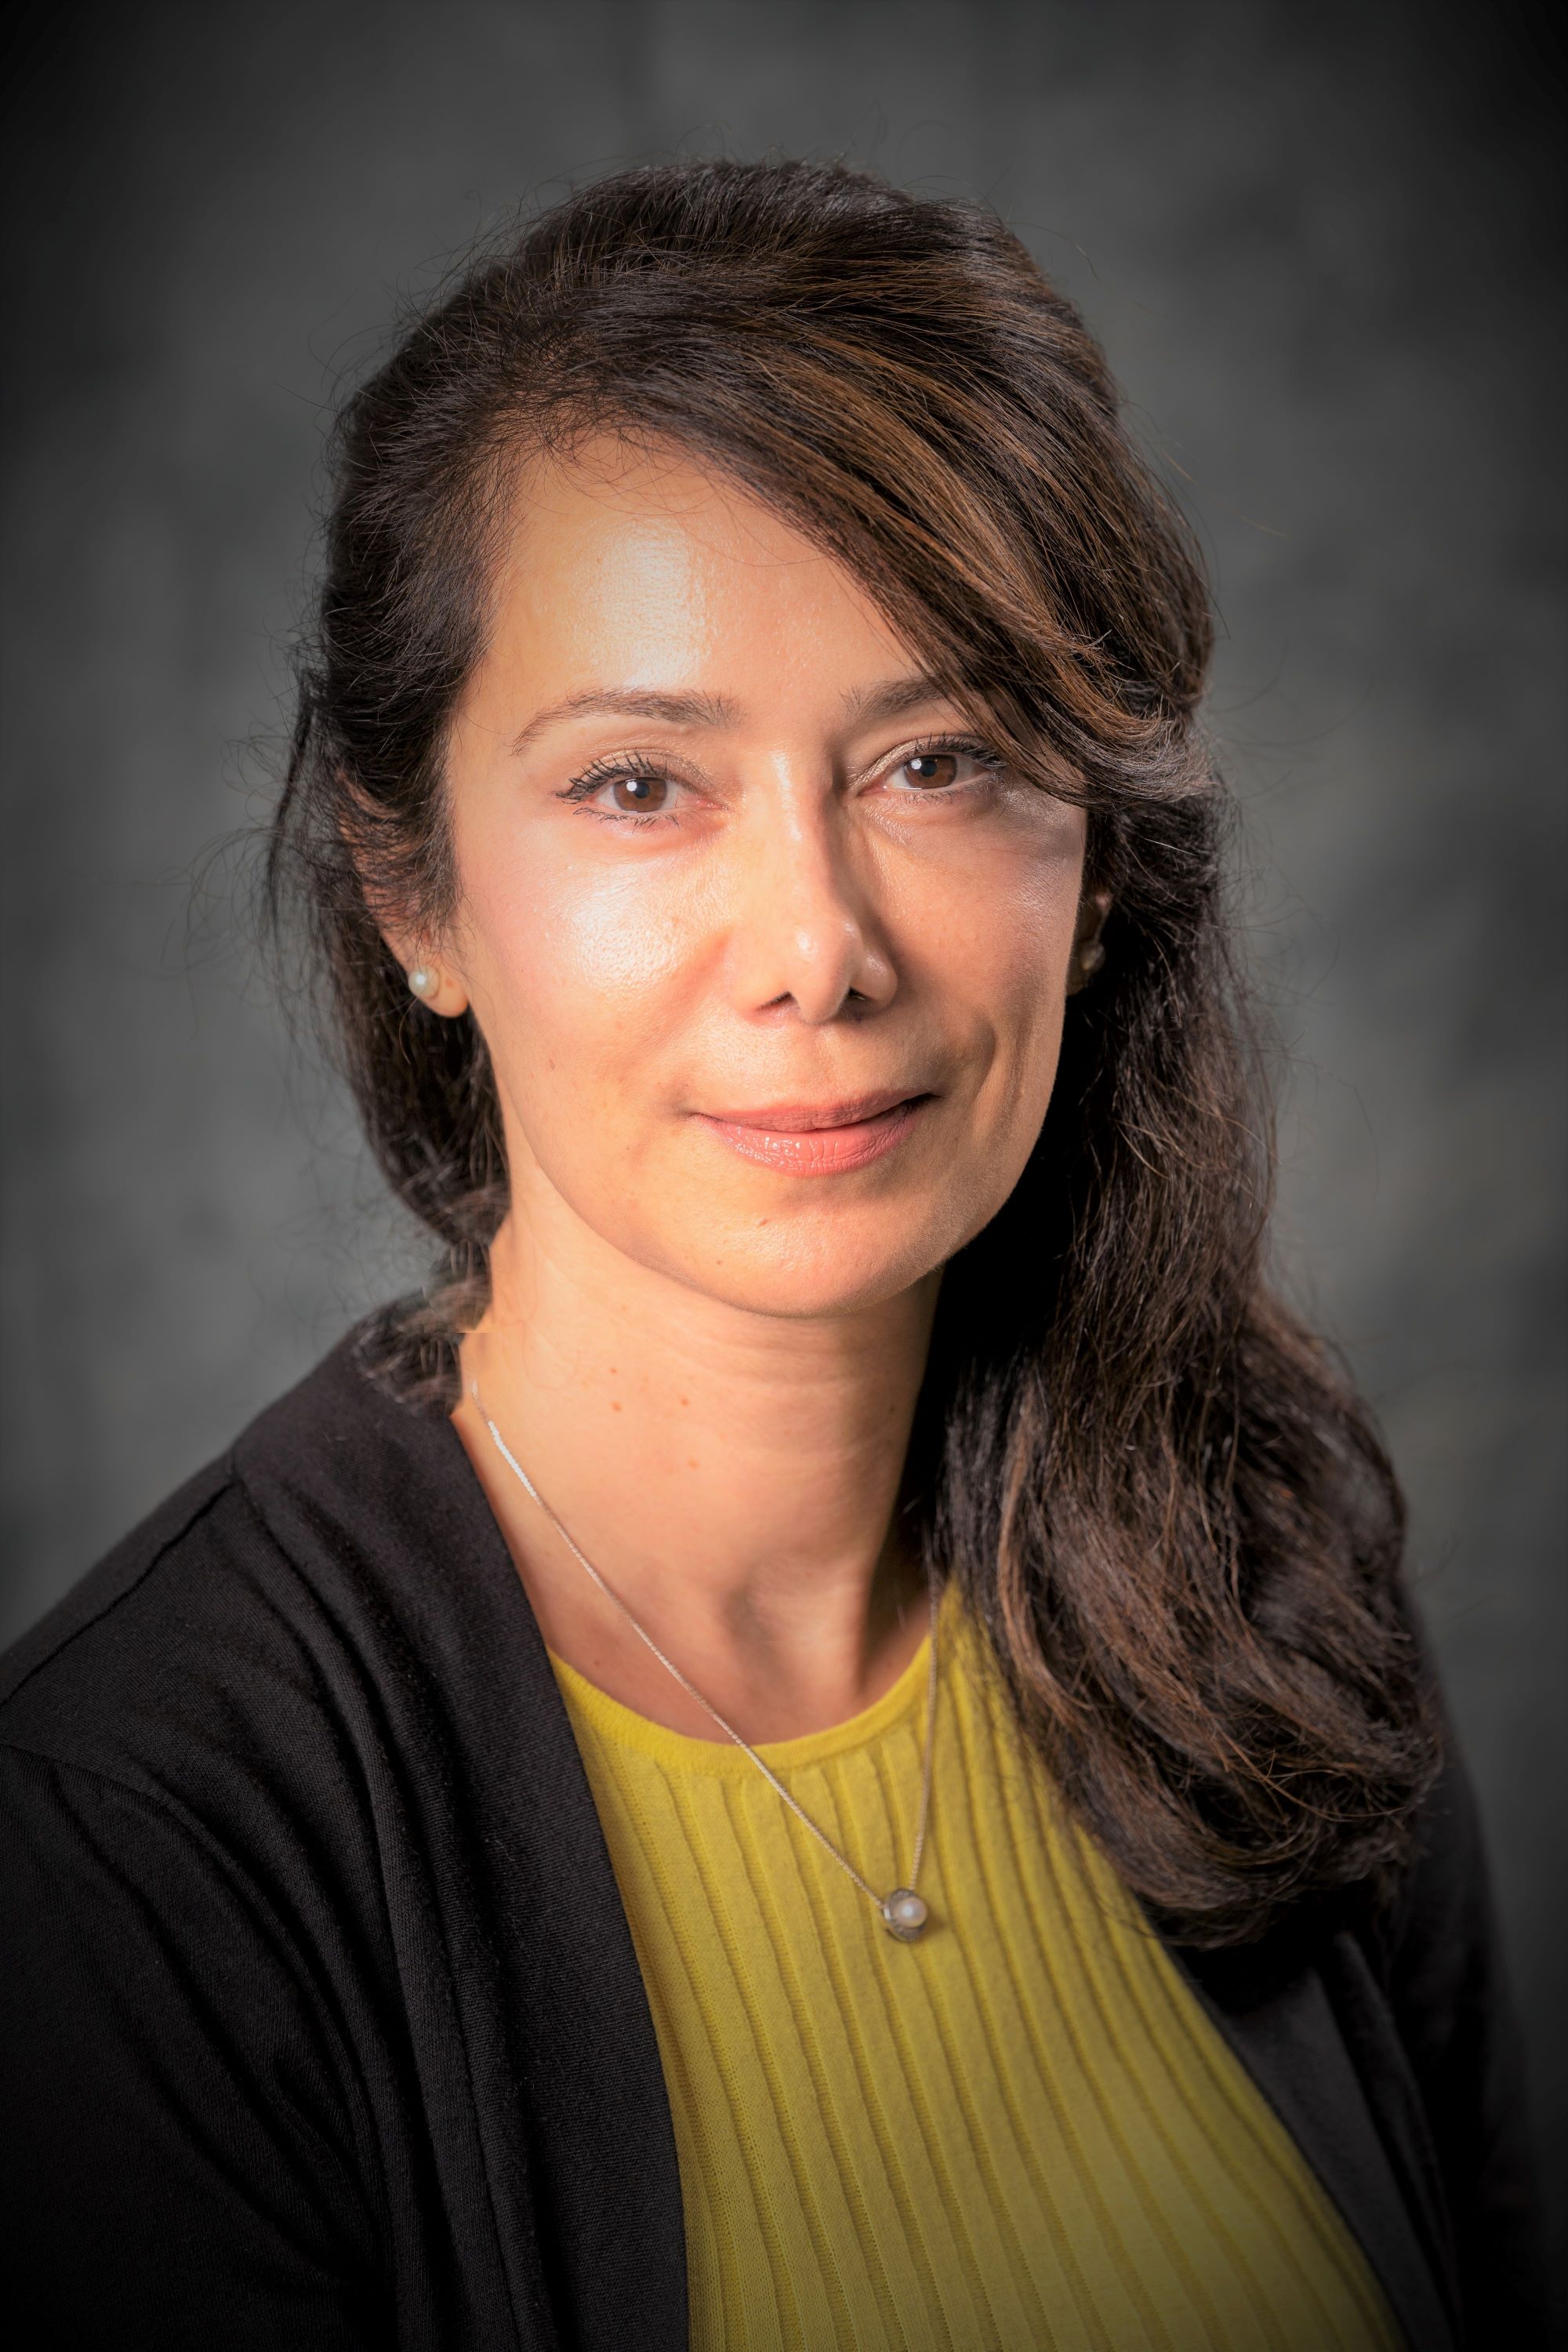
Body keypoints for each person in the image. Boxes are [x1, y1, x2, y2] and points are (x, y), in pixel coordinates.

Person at [0, 158, 1543, 2351]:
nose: (819, 946)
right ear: (413, 891)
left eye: (941, 759)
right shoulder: (126, 1852)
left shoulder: (1261, 1564)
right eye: (642, 786)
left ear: (1097, 868)